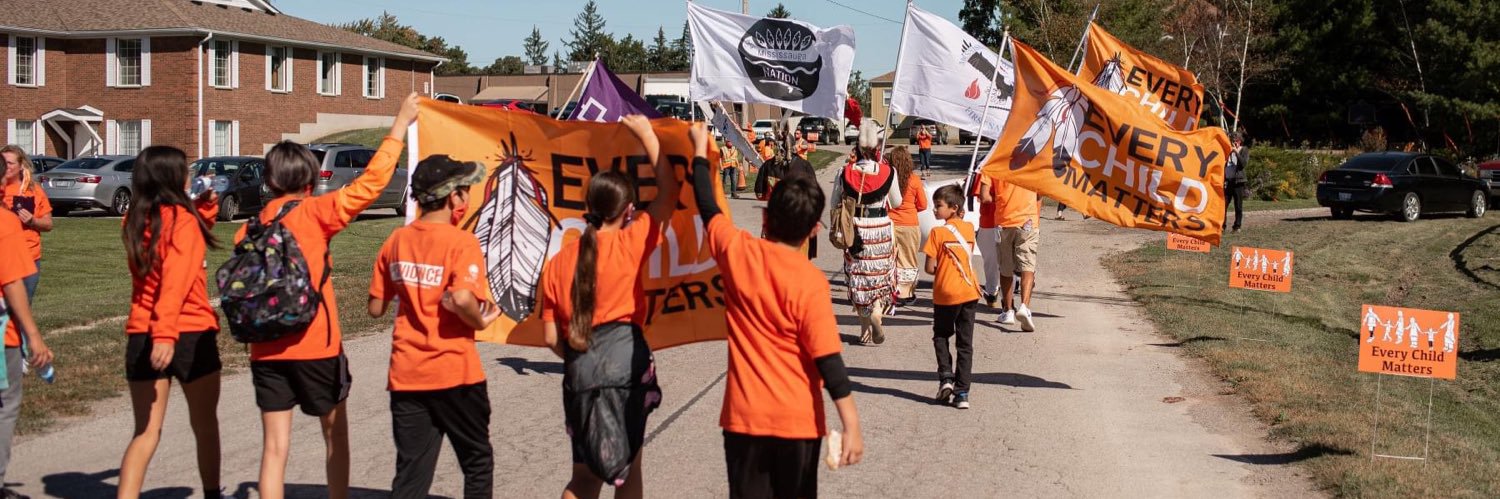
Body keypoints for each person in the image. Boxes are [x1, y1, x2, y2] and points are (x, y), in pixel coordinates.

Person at [244, 92, 420, 499]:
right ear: (310, 180)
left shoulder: (251, 227)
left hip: (266, 350)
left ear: (269, 181)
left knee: (274, 450)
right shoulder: (316, 214)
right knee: (333, 437)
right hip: (317, 347)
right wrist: (399, 124)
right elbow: (371, 183)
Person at [690, 133, 864, 499]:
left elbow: (709, 208)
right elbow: (827, 361)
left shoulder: (739, 253)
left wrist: (697, 155)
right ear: (814, 230)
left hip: (744, 419)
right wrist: (851, 424)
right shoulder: (810, 282)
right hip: (797, 422)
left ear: (766, 219)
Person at [541, 116, 677, 499]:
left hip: (579, 371)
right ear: (629, 211)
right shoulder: (631, 243)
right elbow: (668, 192)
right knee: (627, 472)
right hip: (625, 367)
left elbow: (552, 336)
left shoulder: (559, 263)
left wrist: (580, 358)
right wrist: (649, 136)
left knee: (583, 479)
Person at [368, 155, 499, 499]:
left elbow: (375, 308)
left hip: (407, 374)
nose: (468, 198)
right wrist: (480, 319)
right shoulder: (461, 242)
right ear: (453, 197)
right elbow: (461, 298)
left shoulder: (396, 240)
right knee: (477, 462)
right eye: (466, 190)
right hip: (455, 373)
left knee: (411, 474)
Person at [117, 146, 224, 499]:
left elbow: (179, 238)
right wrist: (166, 334)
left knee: (145, 432)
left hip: (140, 333)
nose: (191, 176)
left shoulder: (134, 219)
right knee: (204, 424)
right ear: (172, 178)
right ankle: (211, 493)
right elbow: (174, 281)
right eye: (186, 171)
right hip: (186, 331)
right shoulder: (182, 221)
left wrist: (205, 205)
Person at [0, 194, 52, 499]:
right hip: (2, 333)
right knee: (6, 404)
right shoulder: (6, 223)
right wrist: (33, 336)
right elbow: (12, 282)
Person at [834, 125, 901, 345]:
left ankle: (864, 329)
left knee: (859, 277)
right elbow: (898, 202)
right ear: (876, 149)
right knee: (880, 276)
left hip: (855, 228)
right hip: (880, 227)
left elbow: (835, 202)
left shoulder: (845, 172)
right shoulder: (888, 171)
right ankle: (877, 313)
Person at [923, 184, 980, 409]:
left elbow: (930, 267)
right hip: (969, 291)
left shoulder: (937, 233)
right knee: (965, 344)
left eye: (938, 206)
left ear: (953, 208)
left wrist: (942, 271)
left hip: (945, 293)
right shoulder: (968, 229)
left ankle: (946, 378)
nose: (935, 210)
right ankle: (962, 393)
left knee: (941, 335)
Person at [985, 175, 1040, 331]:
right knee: (1027, 266)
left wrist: (1002, 198)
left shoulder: (995, 163)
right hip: (1028, 221)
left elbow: (984, 196)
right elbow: (1039, 194)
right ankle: (1024, 307)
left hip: (1004, 221)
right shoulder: (1032, 164)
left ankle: (1008, 310)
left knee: (1005, 268)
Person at [0, 146, 50, 303]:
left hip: (30, 257)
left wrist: (32, 221)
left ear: (21, 165)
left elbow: (48, 224)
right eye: (3, 162)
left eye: (10, 163)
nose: (5, 166)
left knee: (22, 307)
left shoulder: (33, 190)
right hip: (4, 258)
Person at [886, 147, 926, 306]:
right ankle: (907, 292)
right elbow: (923, 204)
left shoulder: (888, 178)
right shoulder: (914, 180)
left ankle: (892, 289)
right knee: (909, 258)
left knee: (892, 258)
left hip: (890, 222)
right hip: (909, 223)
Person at [975, 174, 1001, 309]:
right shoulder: (1021, 166)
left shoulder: (989, 170)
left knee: (991, 261)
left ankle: (992, 292)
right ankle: (1008, 299)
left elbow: (982, 196)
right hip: (1010, 219)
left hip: (989, 221)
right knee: (1008, 261)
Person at [1225, 132, 1248, 232]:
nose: (1234, 142)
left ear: (1239, 141)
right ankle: (1222, 226)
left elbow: (1243, 164)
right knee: (1223, 205)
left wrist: (1236, 152)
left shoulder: (1244, 150)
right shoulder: (1228, 150)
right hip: (1228, 181)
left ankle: (1237, 226)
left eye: (1236, 141)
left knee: (1238, 205)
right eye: (1232, 141)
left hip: (1239, 182)